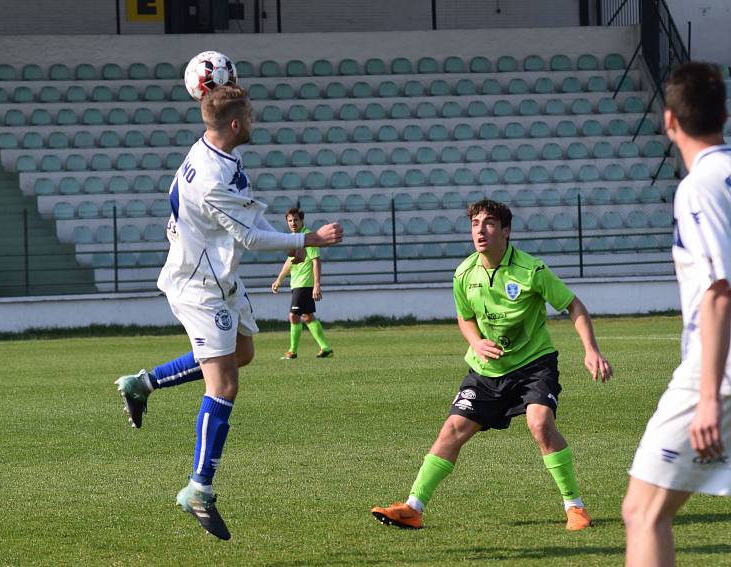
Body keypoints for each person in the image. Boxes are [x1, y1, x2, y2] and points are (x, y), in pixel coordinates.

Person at [113, 85, 343, 540]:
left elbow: (246, 222)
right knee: (225, 383)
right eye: (250, 114)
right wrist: (307, 239)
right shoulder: (214, 177)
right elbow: (250, 238)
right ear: (236, 124)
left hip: (220, 278)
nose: (255, 119)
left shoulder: (211, 150)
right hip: (200, 288)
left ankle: (142, 384)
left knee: (241, 353)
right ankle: (198, 489)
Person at [372, 199, 613, 531]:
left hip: (533, 366)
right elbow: (464, 316)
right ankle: (413, 508)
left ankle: (575, 507)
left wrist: (591, 350)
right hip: (486, 371)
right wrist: (475, 341)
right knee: (451, 431)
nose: (479, 230)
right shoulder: (464, 273)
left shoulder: (532, 270)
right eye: (474, 224)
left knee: (540, 424)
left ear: (506, 230)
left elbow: (573, 305)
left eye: (487, 223)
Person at [622, 62, 731, 567]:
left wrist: (708, 396)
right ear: (724, 115)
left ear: (669, 121)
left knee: (643, 511)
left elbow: (719, 291)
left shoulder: (700, 186)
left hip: (715, 374)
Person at [271, 207, 333, 359]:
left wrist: (317, 285)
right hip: (297, 283)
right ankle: (325, 348)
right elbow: (290, 262)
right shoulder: (294, 238)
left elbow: (316, 261)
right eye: (290, 220)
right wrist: (279, 279)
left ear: (302, 220)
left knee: (293, 315)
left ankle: (292, 351)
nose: (293, 223)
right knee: (307, 316)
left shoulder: (307, 237)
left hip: (304, 283)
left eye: (296, 220)